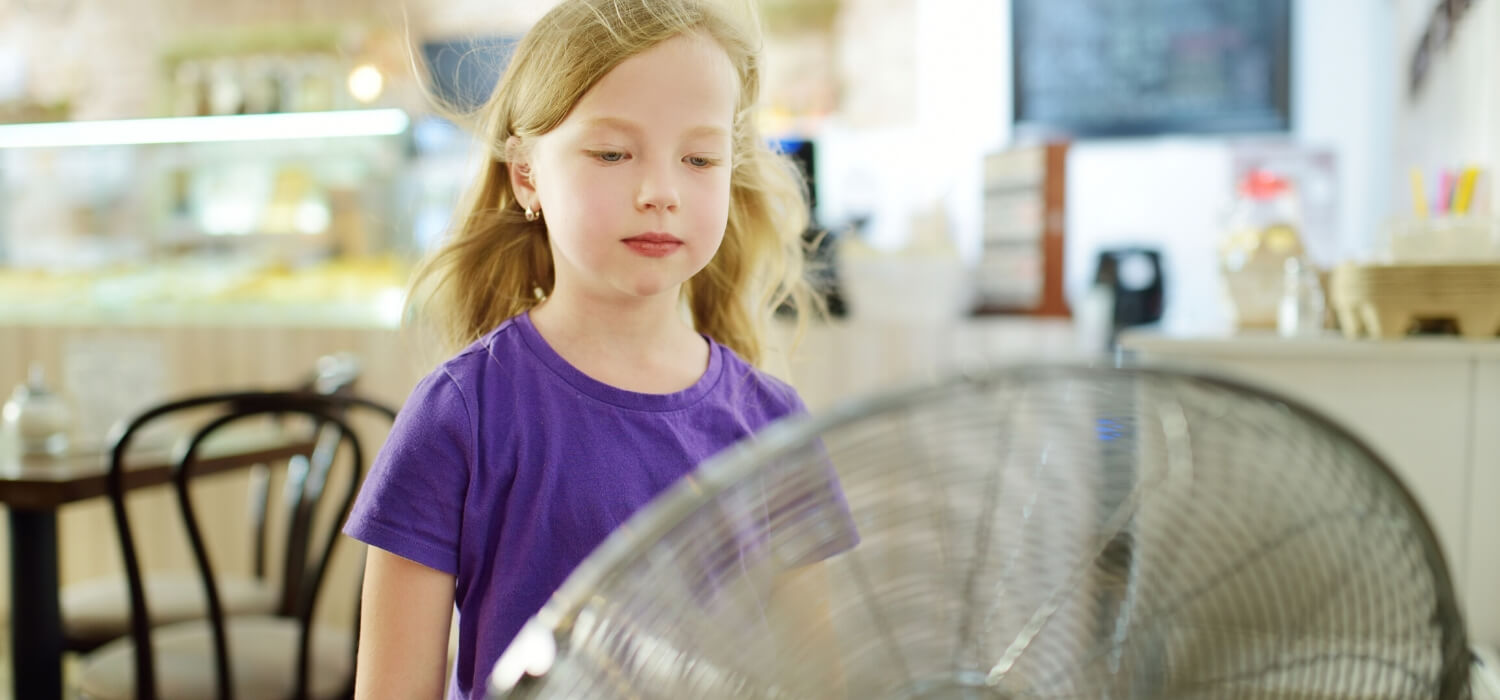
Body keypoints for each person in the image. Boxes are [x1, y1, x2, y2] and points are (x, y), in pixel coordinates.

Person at [343, 1, 848, 697]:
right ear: (526, 175)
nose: (660, 192)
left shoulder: (775, 427)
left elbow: (815, 679)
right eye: (612, 153)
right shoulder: (460, 416)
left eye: (699, 158)